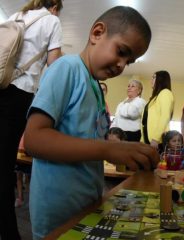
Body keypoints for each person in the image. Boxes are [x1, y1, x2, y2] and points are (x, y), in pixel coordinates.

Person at [23, 6, 158, 239]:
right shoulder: (67, 68)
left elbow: (88, 141)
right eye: (121, 51)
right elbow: (34, 139)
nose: (121, 65)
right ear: (97, 33)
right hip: (57, 218)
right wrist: (108, 149)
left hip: (86, 210)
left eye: (129, 61)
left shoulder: (95, 87)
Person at [0, 0, 63, 239]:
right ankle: (9, 233)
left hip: (1, 82)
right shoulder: (52, 20)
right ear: (56, 7)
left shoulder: (18, 15)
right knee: (5, 166)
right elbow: (54, 65)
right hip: (19, 92)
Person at [141, 70, 174, 149]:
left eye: (154, 77)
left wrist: (156, 138)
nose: (151, 80)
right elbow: (145, 121)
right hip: (148, 140)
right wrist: (142, 140)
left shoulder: (165, 93)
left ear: (161, 79)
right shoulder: (154, 97)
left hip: (157, 141)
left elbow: (165, 116)